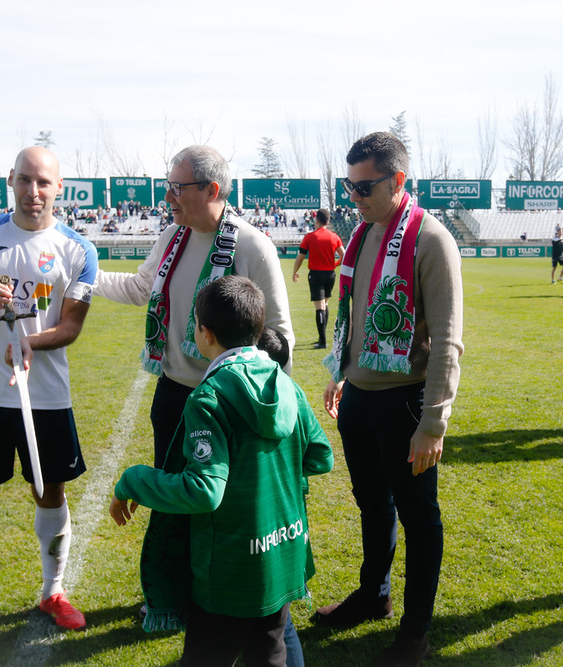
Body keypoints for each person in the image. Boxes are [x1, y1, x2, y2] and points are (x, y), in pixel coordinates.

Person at [110, 275, 333, 667]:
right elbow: (320, 456)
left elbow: (204, 491)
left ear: (205, 333)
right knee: (271, 651)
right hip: (280, 555)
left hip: (228, 570)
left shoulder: (208, 397)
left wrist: (134, 481)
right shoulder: (285, 383)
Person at [0, 147, 98, 656]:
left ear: (59, 188)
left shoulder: (78, 250)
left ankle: (53, 592)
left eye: (43, 183)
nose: (33, 192)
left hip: (46, 396)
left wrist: (30, 342)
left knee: (50, 493)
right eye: (25, 180)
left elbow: (68, 327)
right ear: (11, 181)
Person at [315, 132, 463, 667]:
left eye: (364, 187)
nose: (353, 198)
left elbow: (447, 337)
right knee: (371, 504)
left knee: (419, 517)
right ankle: (372, 594)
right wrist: (342, 372)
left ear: (398, 181)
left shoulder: (431, 240)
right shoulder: (361, 234)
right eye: (348, 187)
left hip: (406, 404)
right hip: (359, 396)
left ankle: (415, 632)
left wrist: (433, 422)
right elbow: (354, 314)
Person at [94, 145, 293, 469]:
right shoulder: (171, 236)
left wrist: (269, 411)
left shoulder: (253, 246)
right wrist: (87, 279)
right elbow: (140, 287)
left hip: (228, 402)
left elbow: (279, 336)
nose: (168, 197)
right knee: (171, 505)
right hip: (172, 397)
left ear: (211, 190)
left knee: (220, 511)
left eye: (177, 188)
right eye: (168, 187)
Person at [292, 208, 345, 349]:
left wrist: (295, 272)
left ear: (316, 220)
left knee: (319, 306)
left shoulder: (310, 237)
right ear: (328, 221)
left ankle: (322, 341)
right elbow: (344, 256)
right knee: (325, 304)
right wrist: (334, 264)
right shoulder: (335, 237)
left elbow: (300, 257)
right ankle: (322, 338)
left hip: (315, 275)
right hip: (330, 275)